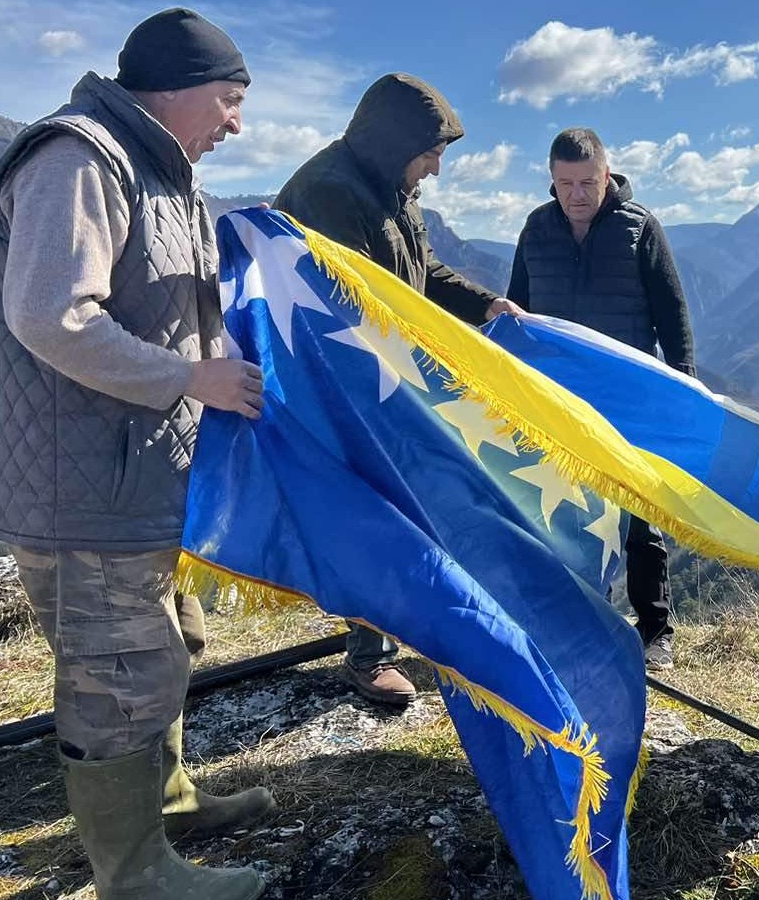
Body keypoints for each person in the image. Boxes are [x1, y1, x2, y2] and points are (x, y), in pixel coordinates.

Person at [0, 8, 270, 898]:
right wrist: (192, 378)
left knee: (165, 646)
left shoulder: (157, 170)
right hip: (85, 489)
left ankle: (167, 805)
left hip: (135, 475)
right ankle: (135, 875)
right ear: (174, 91)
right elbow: (51, 315)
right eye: (227, 100)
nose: (235, 122)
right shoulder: (81, 158)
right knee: (117, 676)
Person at [275, 73, 519, 705]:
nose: (437, 167)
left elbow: (420, 274)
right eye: (432, 151)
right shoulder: (330, 192)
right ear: (396, 141)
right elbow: (347, 305)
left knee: (409, 506)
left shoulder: (391, 188)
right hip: (344, 388)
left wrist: (485, 305)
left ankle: (400, 629)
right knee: (375, 513)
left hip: (388, 379)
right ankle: (368, 655)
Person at [507, 127, 695, 671]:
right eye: (565, 183)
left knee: (639, 511)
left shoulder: (639, 230)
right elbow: (516, 309)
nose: (577, 194)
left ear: (607, 176)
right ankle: (577, 621)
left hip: (627, 395)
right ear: (552, 181)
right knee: (561, 509)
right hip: (554, 396)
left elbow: (672, 316)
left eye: (588, 181)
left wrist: (681, 387)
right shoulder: (536, 230)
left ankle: (655, 628)